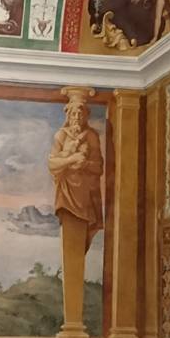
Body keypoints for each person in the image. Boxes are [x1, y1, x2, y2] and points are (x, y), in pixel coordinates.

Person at [48, 99, 104, 251]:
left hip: (85, 194)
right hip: (66, 192)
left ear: (86, 116)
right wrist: (71, 159)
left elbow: (99, 167)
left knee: (80, 238)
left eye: (81, 114)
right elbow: (52, 164)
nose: (77, 117)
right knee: (70, 234)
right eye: (74, 114)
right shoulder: (61, 135)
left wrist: (85, 164)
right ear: (69, 116)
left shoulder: (91, 136)